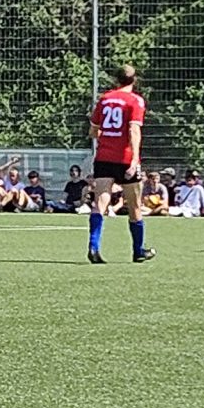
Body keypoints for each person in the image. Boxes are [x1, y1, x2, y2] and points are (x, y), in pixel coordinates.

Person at [87, 65, 154, 264]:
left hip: (104, 157)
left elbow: (93, 131)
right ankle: (138, 251)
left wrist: (107, 137)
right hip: (125, 158)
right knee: (134, 206)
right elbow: (134, 130)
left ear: (116, 80)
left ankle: (93, 246)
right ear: (135, 80)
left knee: (100, 203)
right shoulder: (135, 100)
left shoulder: (105, 99)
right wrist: (134, 160)